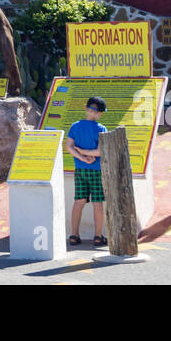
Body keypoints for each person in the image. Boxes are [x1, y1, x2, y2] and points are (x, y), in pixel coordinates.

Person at [66, 96, 109, 247]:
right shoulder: (101, 129)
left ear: (86, 108)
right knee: (98, 203)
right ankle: (97, 237)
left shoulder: (75, 126)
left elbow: (69, 147)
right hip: (96, 171)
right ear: (99, 114)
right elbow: (100, 151)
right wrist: (89, 155)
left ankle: (74, 235)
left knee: (79, 201)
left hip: (80, 170)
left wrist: (82, 156)